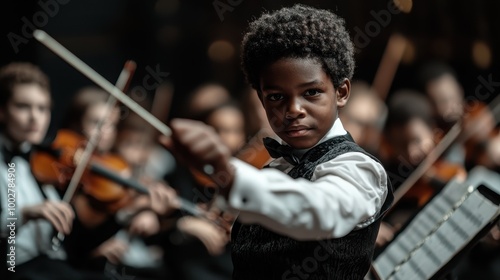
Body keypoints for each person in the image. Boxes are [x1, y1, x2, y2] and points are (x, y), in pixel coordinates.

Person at [161, 4, 393, 279]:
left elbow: (318, 209)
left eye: (311, 92)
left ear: (341, 92)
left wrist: (227, 172)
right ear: (261, 100)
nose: (293, 109)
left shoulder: (358, 168)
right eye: (276, 97)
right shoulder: (275, 166)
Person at [0, 62, 103, 280]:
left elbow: (76, 242)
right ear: (2, 111)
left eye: (43, 108)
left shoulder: (47, 159)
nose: (35, 117)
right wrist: (24, 214)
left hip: (52, 266)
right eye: (22, 106)